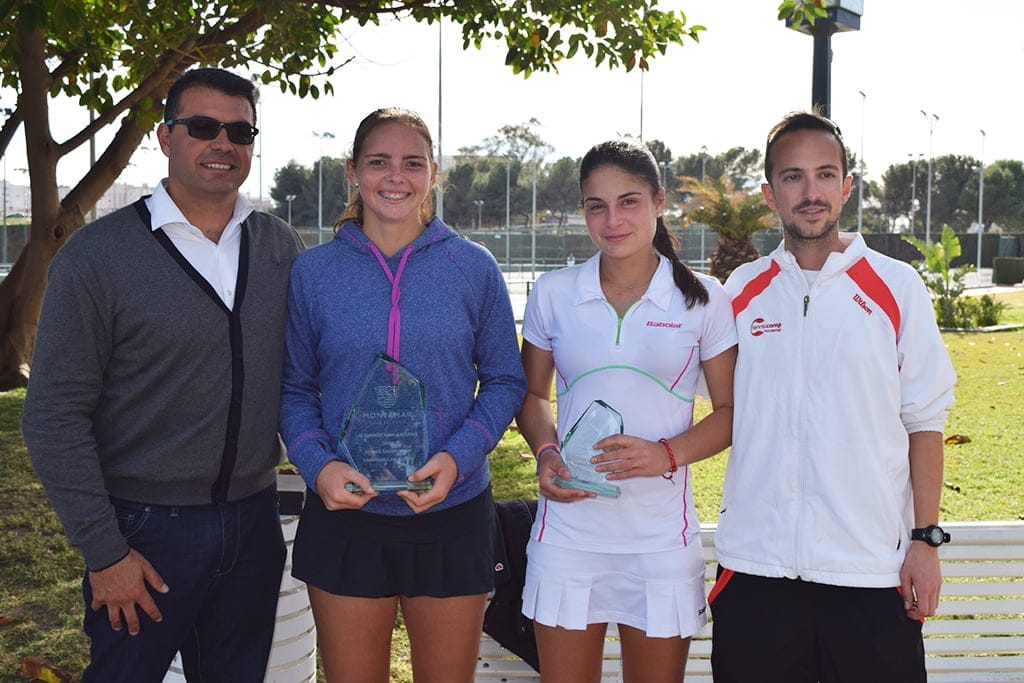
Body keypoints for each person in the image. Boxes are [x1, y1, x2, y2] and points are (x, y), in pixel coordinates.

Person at [21, 67, 305, 681]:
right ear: (166, 136)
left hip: (255, 520)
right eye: (202, 127)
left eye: (239, 131)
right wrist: (105, 551)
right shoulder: (97, 257)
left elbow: (306, 374)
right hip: (143, 530)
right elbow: (51, 414)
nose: (222, 144)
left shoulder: (280, 246)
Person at [279, 107, 526, 683]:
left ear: (433, 173)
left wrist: (458, 459)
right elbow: (294, 389)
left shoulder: (473, 267)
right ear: (353, 171)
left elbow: (506, 379)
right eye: (379, 162)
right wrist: (318, 467)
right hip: (346, 514)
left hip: (452, 509)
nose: (396, 176)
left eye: (412, 163)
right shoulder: (313, 272)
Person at [710, 111, 957, 683]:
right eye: (793, 177)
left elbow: (925, 421)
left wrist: (925, 540)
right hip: (757, 568)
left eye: (826, 174)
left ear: (846, 186)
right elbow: (714, 406)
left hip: (870, 571)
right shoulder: (740, 292)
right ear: (770, 193)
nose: (811, 191)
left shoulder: (897, 287)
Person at [516, 139, 738, 682]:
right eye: (597, 205)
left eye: (629, 201)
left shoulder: (704, 299)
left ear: (659, 202)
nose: (612, 220)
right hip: (567, 536)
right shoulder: (553, 293)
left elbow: (733, 411)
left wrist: (667, 454)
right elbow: (530, 397)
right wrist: (546, 453)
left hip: (661, 541)